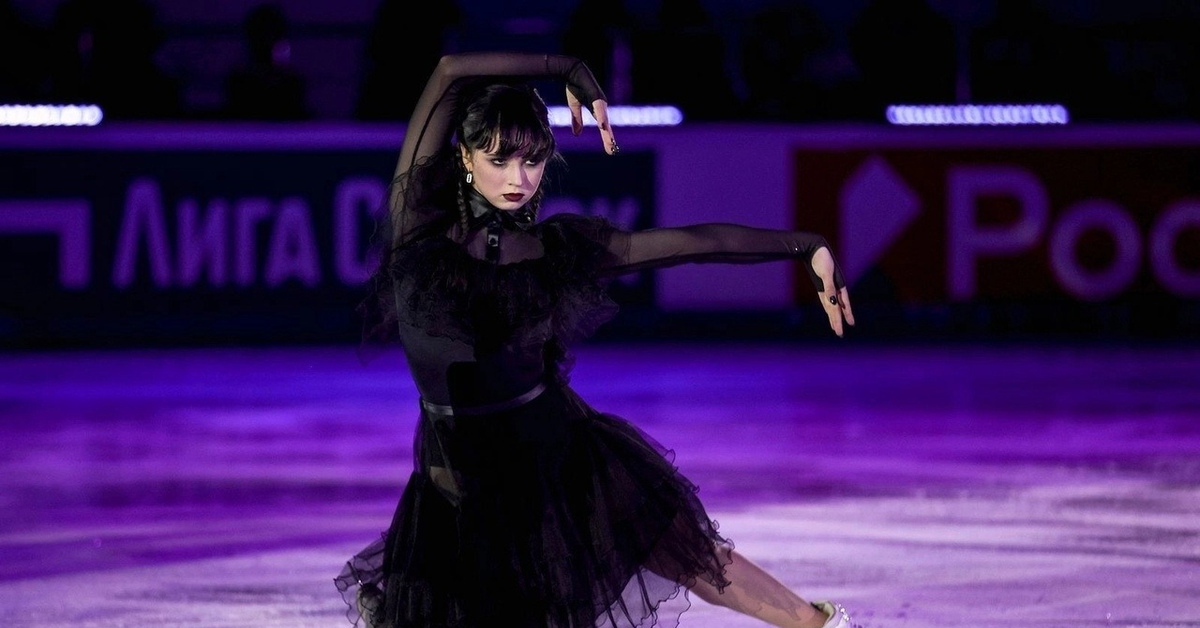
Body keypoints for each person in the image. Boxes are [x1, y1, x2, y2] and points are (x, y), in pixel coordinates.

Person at [334, 51, 861, 628]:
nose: (517, 179)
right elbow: (448, 73)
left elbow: (692, 243)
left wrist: (804, 246)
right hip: (453, 490)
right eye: (499, 159)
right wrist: (565, 68)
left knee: (687, 551)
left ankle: (820, 624)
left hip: (555, 460)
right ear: (464, 156)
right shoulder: (417, 229)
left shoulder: (555, 251)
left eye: (532, 160)